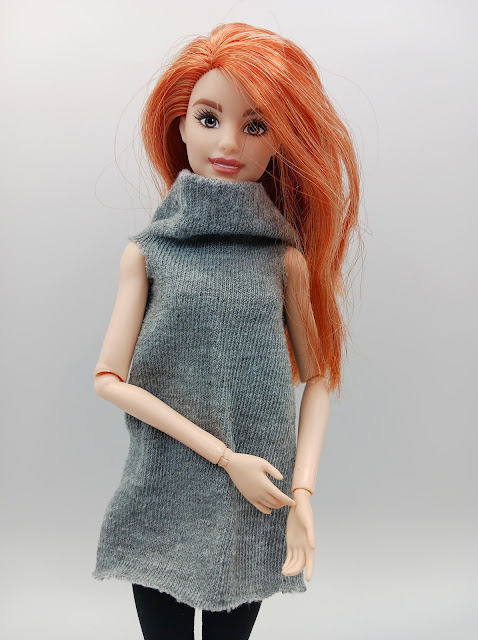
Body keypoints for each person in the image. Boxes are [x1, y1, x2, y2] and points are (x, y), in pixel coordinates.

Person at [92, 22, 361, 639]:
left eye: (256, 126)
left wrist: (303, 493)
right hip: (162, 496)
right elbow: (108, 379)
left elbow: (318, 378)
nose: (229, 142)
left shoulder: (283, 261)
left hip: (255, 502)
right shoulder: (149, 254)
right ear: (180, 126)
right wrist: (222, 456)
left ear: (280, 143)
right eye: (209, 118)